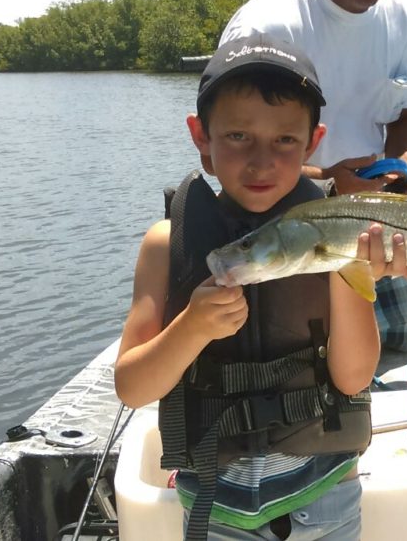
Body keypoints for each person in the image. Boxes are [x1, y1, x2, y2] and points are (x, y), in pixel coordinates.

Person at [115, 34, 387, 540]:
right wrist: (192, 327)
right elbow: (132, 388)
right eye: (238, 136)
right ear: (201, 137)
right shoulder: (166, 244)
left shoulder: (338, 235)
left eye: (285, 140)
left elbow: (352, 379)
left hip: (325, 493)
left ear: (313, 142)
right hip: (216, 507)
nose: (262, 161)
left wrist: (354, 271)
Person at [220, 0, 407, 360]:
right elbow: (238, 156)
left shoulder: (402, 9)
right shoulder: (265, 27)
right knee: (306, 359)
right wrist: (331, 181)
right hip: (281, 224)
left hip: (374, 215)